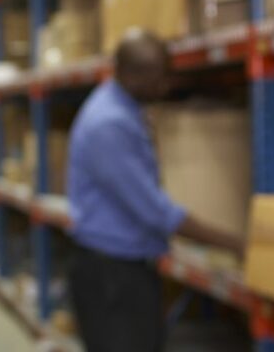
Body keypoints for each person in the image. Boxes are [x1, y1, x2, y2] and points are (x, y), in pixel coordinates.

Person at [66, 29, 243, 352]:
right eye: (157, 77)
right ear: (129, 75)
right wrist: (233, 243)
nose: (166, 85)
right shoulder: (109, 124)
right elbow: (154, 211)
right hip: (112, 280)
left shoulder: (124, 109)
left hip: (124, 271)